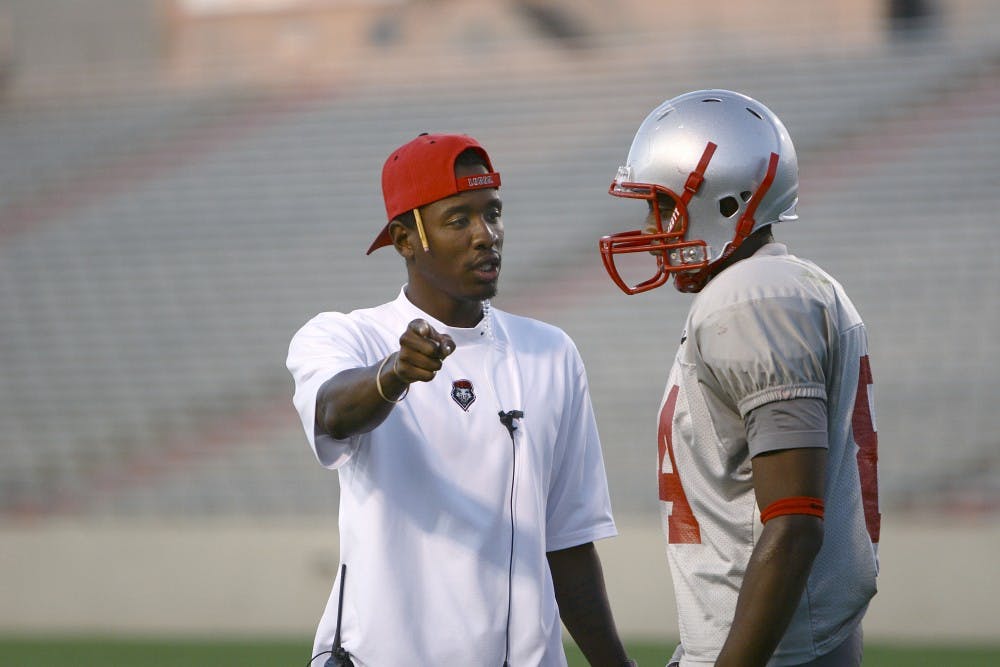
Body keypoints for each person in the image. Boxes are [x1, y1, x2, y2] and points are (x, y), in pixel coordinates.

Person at [287, 132, 635, 666]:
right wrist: (393, 374)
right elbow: (332, 412)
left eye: (492, 213)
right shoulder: (345, 336)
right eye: (459, 219)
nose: (486, 235)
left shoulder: (551, 352)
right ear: (406, 239)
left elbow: (567, 543)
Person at [598, 90, 880, 667]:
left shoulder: (752, 298)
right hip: (788, 640)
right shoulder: (784, 287)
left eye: (662, 205)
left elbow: (795, 521)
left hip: (771, 649)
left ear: (726, 202)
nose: (653, 227)